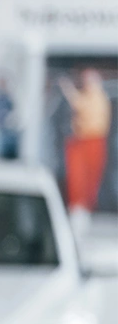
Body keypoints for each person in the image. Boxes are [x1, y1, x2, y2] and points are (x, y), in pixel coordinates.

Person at [59, 68, 112, 222]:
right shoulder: (91, 96)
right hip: (82, 140)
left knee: (87, 177)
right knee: (78, 176)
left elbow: (79, 105)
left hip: (92, 141)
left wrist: (68, 89)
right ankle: (79, 207)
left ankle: (83, 209)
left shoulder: (98, 97)